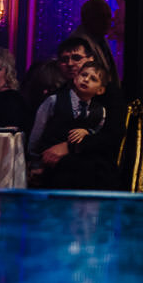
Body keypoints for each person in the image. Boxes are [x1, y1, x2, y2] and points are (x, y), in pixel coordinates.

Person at [27, 58, 120, 189]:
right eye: (84, 75)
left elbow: (98, 132)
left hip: (76, 166)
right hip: (50, 161)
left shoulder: (100, 111)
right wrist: (35, 162)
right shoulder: (54, 100)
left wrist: (88, 132)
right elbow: (37, 132)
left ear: (100, 90)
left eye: (93, 79)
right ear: (75, 78)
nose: (86, 80)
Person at [70, 0, 120, 91]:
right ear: (87, 18)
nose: (108, 22)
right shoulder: (79, 42)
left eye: (109, 17)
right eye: (101, 17)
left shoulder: (100, 37)